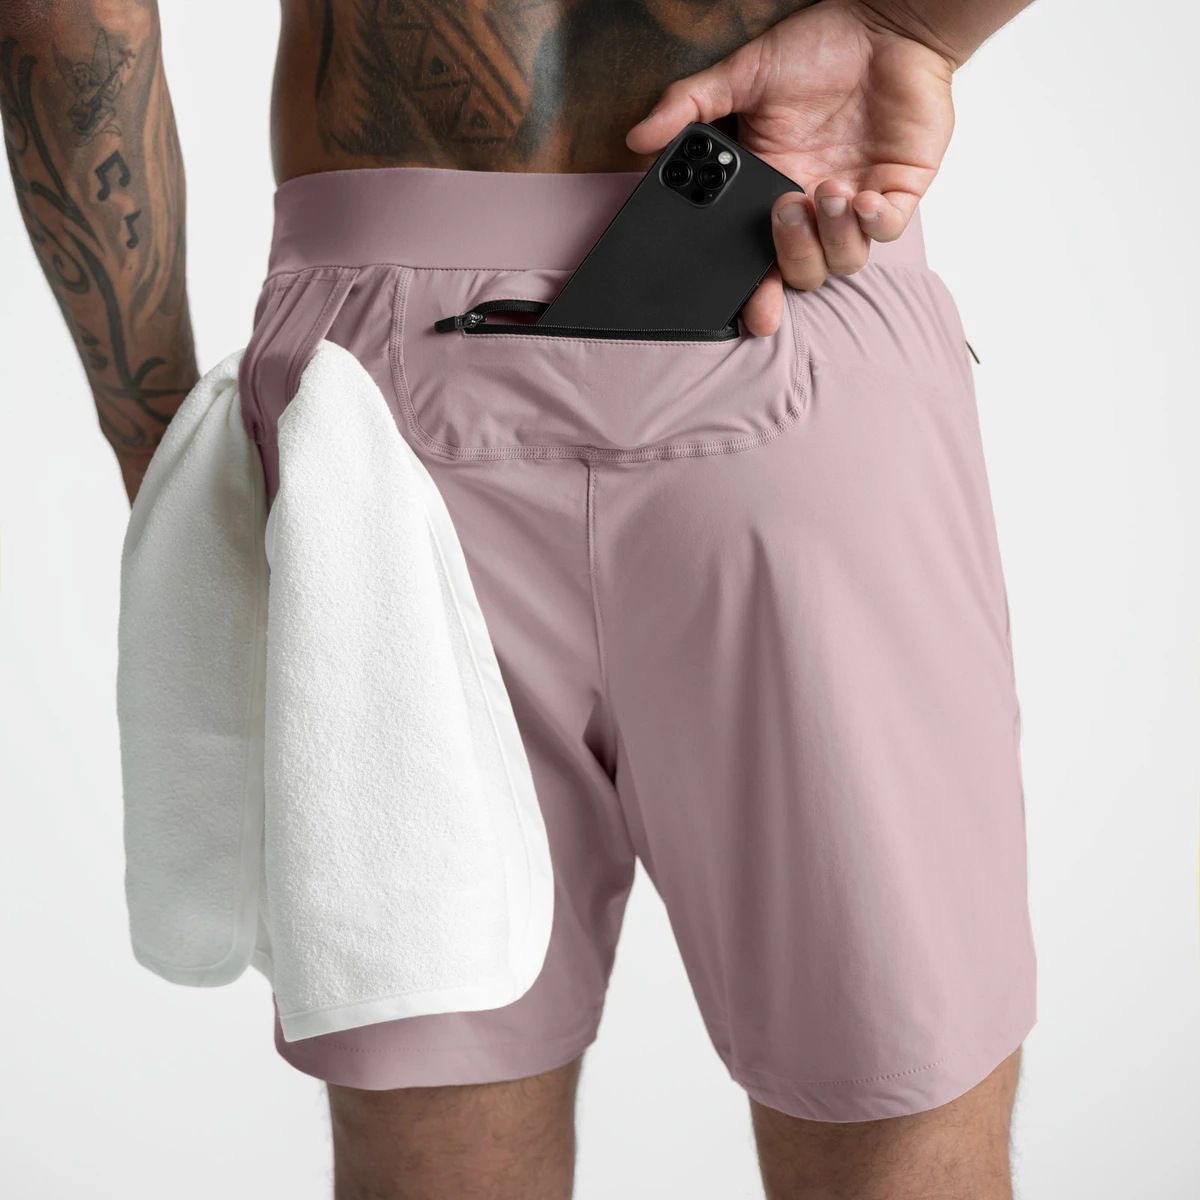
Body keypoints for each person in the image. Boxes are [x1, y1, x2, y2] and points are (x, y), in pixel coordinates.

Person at [1, 1, 1038, 1196]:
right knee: (901, 1132)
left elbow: (67, 19)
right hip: (779, 289)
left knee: (434, 1151)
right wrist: (907, 25)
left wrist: (157, 442)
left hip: (369, 416)